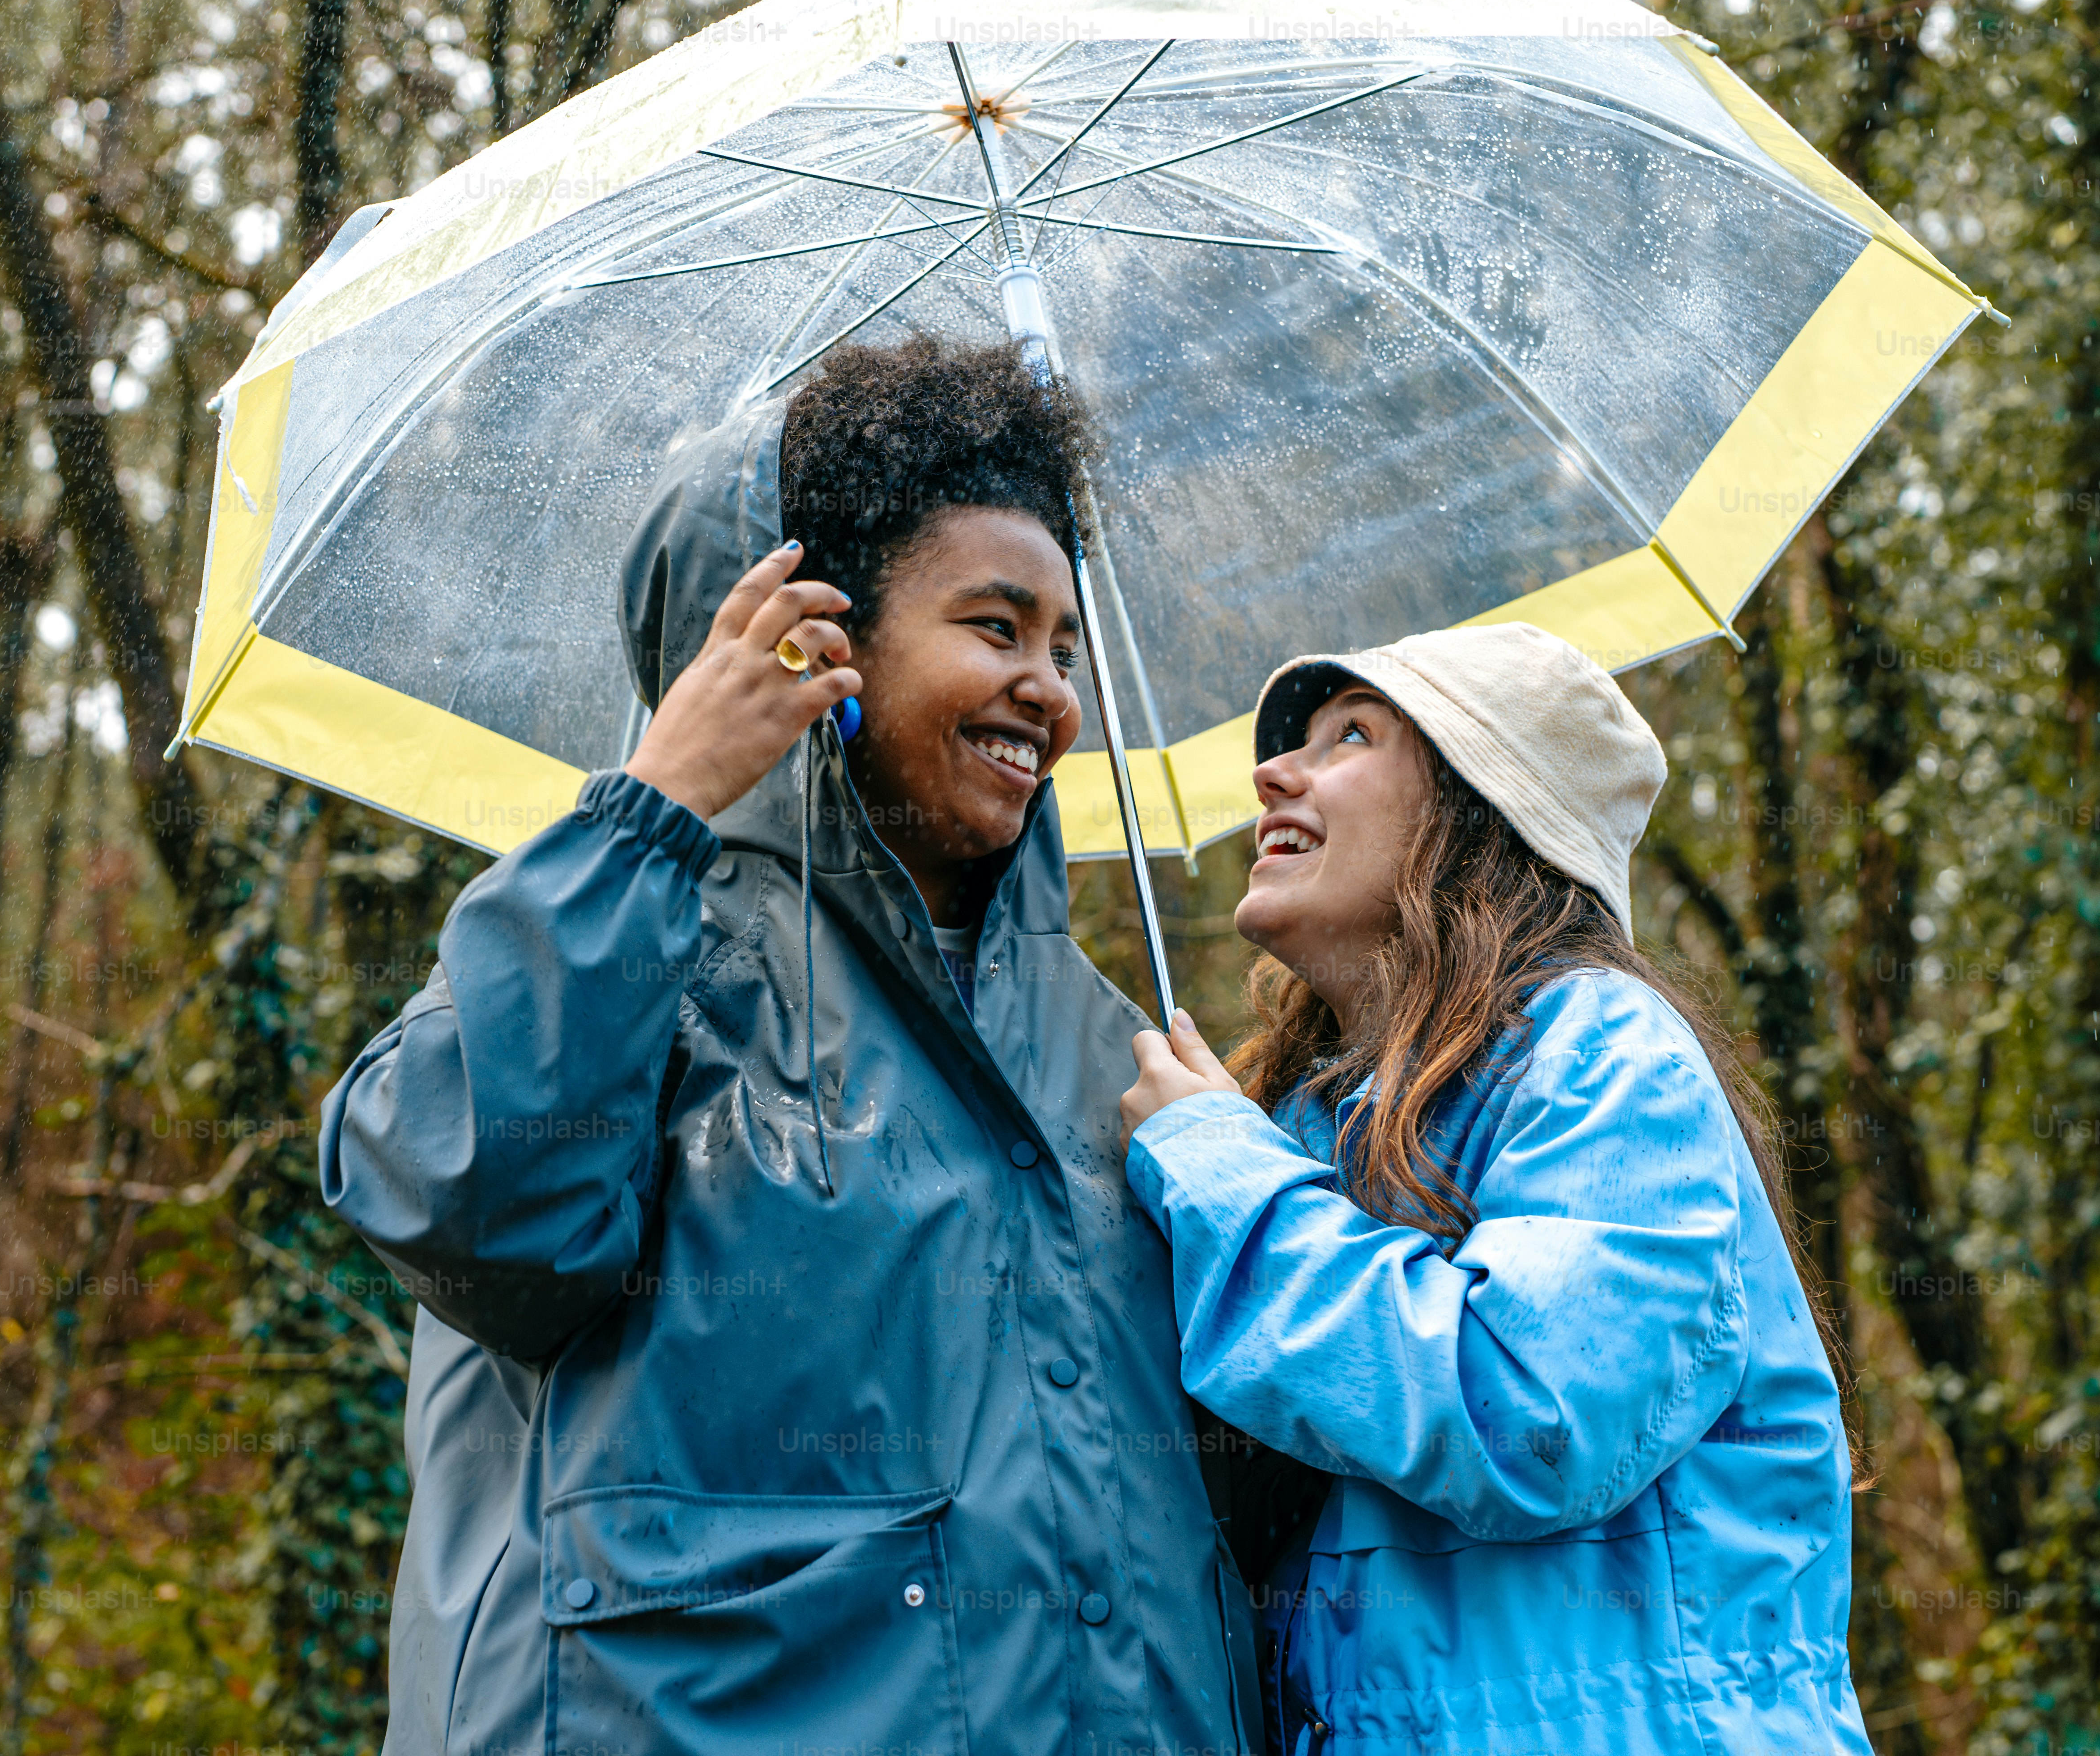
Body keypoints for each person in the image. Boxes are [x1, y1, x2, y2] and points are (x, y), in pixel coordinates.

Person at [318, 332, 1264, 1756]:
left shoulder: (1116, 1051)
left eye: (1065, 649)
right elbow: (463, 1201)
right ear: (814, 641)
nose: (1051, 692)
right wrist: (665, 796)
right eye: (996, 629)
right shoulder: (638, 942)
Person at [1118, 621, 1874, 1756]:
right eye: (1295, 747)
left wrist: (1223, 1174)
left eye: (1350, 737)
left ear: (1483, 816)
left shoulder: (1605, 1052)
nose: (1273, 772)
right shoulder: (1306, 1125)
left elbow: (1528, 1409)